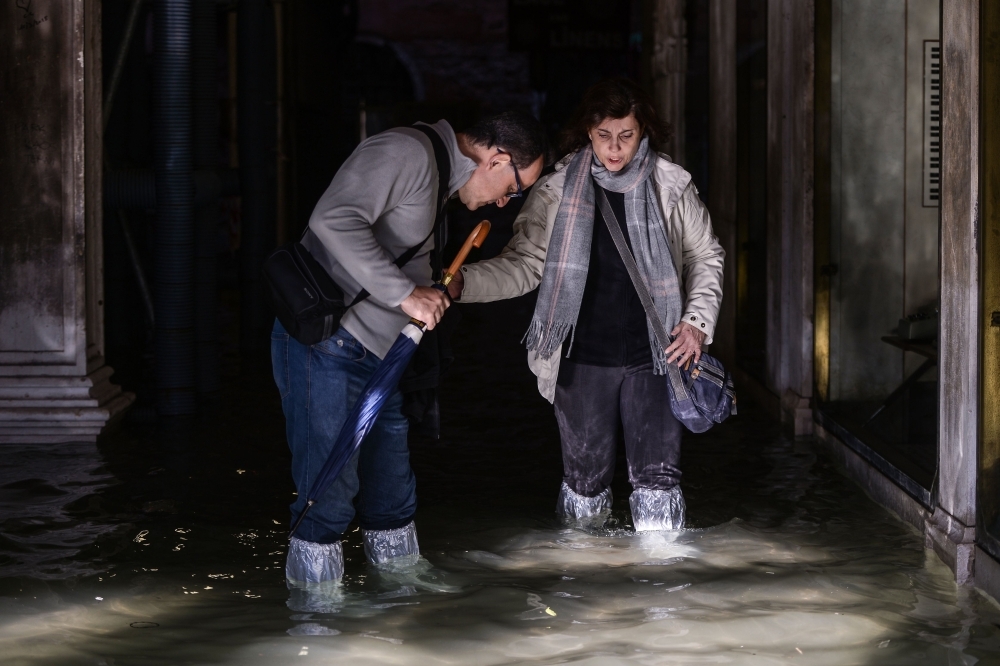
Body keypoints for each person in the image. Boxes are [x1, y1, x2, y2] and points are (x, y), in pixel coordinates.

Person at [273, 112, 547, 587]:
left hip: (382, 358)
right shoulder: (405, 152)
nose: (506, 203)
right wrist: (406, 294)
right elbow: (332, 219)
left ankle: (402, 602)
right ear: (497, 159)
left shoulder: (440, 176)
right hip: (332, 347)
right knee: (327, 496)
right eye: (515, 188)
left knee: (392, 495)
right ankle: (317, 622)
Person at [449, 79, 724, 531]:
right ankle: (586, 585)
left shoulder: (670, 184)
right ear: (587, 133)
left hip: (658, 354)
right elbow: (525, 264)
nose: (615, 149)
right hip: (580, 358)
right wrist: (463, 284)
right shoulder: (556, 189)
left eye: (627, 135)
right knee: (584, 482)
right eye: (604, 136)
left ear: (644, 132)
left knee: (659, 481)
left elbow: (705, 255)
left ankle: (663, 591)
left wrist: (695, 323)